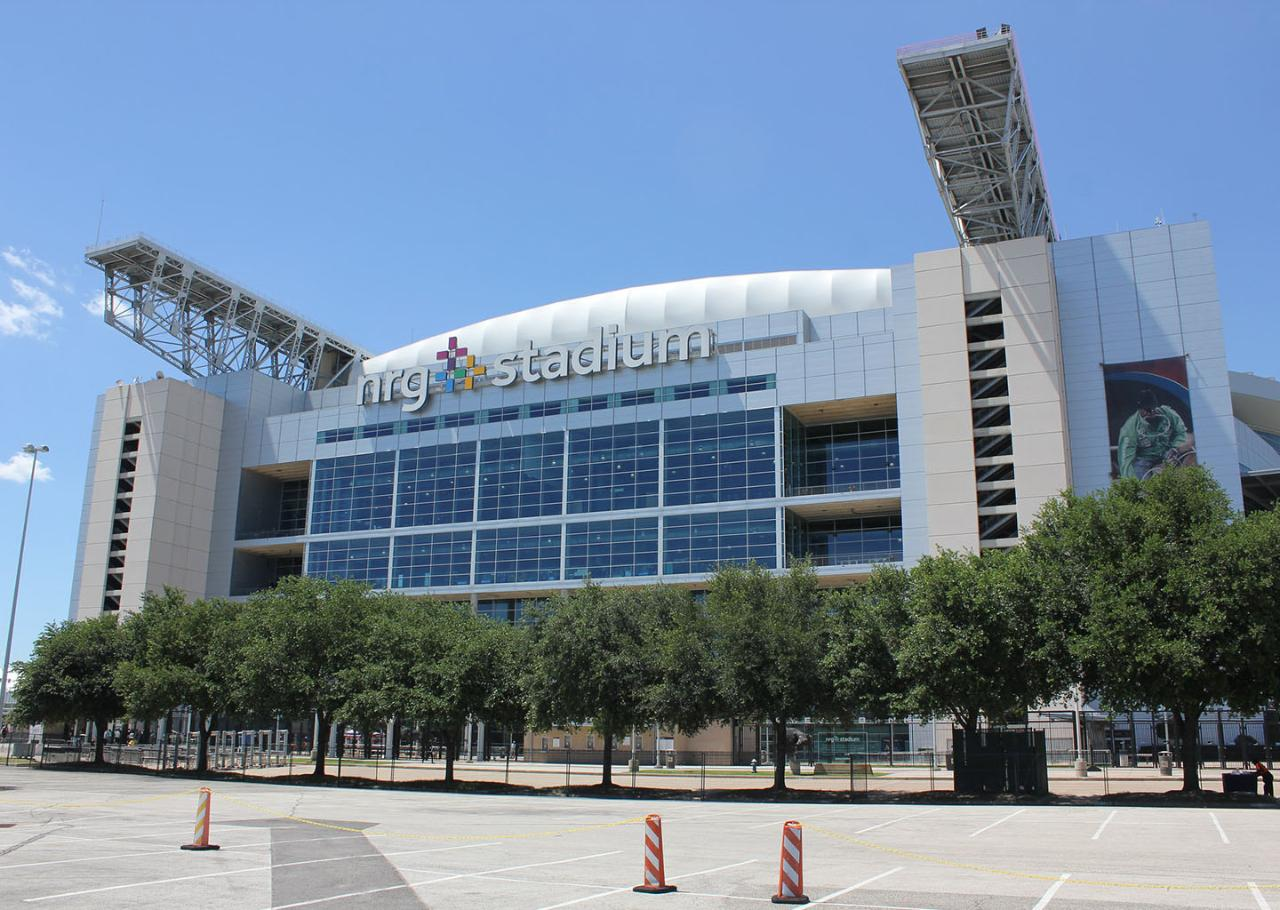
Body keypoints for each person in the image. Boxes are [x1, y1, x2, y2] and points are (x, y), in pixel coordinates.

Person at [1116, 389, 1194, 479]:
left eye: (1153, 408)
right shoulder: (1130, 427)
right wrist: (1128, 480)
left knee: (1190, 453)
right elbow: (1125, 458)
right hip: (1144, 460)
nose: (1151, 412)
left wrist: (1175, 448)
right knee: (1142, 480)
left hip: (1167, 454)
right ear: (1139, 409)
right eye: (1147, 409)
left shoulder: (1168, 413)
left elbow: (1181, 432)